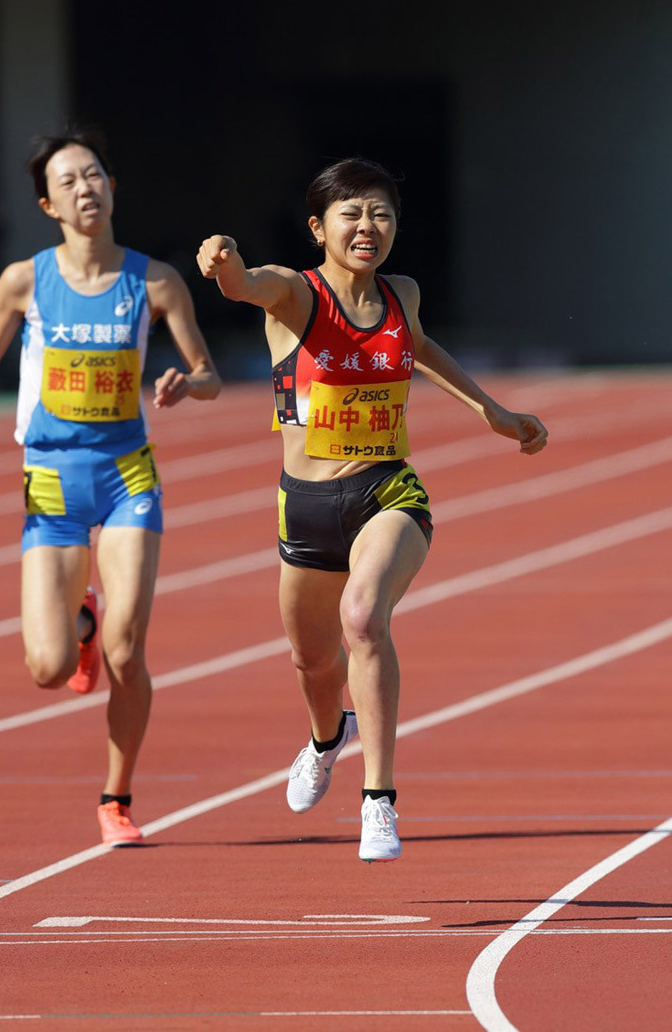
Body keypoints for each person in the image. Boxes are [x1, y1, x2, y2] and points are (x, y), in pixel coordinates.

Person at [197, 157, 547, 863]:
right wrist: (224, 262)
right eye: (352, 213)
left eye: (381, 213)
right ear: (318, 227)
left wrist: (495, 412)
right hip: (306, 507)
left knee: (363, 619)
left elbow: (418, 348)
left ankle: (379, 801)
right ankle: (328, 739)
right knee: (310, 660)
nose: (368, 226)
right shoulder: (296, 295)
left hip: (388, 492)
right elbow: (245, 285)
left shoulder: (402, 294)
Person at [0, 125, 221, 847]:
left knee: (128, 651)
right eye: (70, 180)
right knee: (46, 670)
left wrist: (185, 384)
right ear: (48, 204)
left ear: (113, 188)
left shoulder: (154, 280)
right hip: (50, 479)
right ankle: (78, 622)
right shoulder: (24, 279)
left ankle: (116, 797)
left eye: (96, 174)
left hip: (127, 475)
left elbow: (211, 375)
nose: (86, 187)